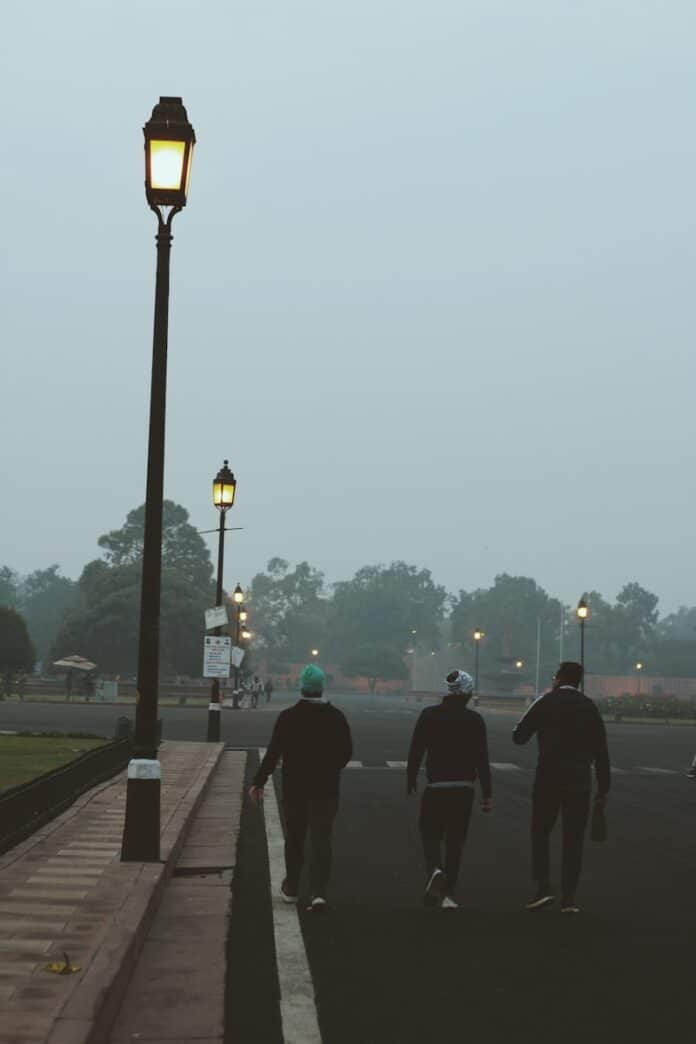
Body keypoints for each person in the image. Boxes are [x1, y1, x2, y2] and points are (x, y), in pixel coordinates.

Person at [249, 664, 352, 912]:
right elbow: (346, 753)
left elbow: (273, 752)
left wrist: (259, 781)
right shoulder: (336, 717)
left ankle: (292, 886)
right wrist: (330, 767)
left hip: (295, 788)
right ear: (321, 688)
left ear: (301, 688)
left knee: (294, 838)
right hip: (326, 789)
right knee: (321, 840)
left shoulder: (288, 717)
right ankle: (318, 891)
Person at [513, 661, 611, 914]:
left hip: (548, 778)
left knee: (541, 832)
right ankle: (569, 897)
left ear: (557, 678)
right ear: (579, 681)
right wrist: (603, 788)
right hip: (579, 782)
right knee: (573, 840)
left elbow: (519, 736)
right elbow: (602, 751)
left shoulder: (545, 702)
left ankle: (544, 886)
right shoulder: (589, 707)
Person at [406, 669, 493, 909]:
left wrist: (411, 776)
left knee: (430, 832)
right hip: (464, 788)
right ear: (467, 693)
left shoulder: (429, 715)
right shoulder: (475, 721)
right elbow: (481, 758)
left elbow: (417, 749)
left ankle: (435, 868)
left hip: (437, 786)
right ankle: (448, 893)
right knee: (456, 840)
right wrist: (487, 792)